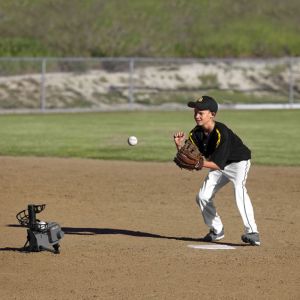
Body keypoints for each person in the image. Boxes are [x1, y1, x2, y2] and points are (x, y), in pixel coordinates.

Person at [173, 95, 260, 246]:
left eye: (201, 112)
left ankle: (252, 232)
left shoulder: (221, 132)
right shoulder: (196, 133)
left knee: (239, 189)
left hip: (238, 162)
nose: (197, 115)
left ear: (212, 114)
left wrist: (200, 163)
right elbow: (190, 155)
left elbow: (215, 164)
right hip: (217, 164)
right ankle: (217, 230)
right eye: (195, 112)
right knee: (202, 196)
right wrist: (180, 146)